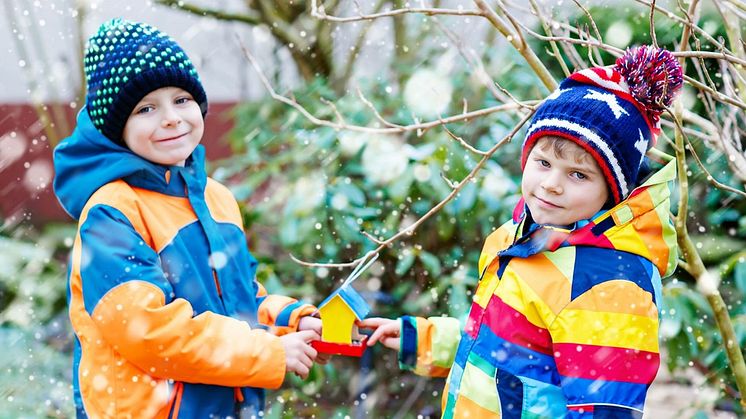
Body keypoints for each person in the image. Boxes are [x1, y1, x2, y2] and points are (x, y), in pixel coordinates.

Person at [360, 45, 683, 418]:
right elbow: (506, 353)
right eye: (543, 162)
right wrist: (427, 341)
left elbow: (605, 410)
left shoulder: (607, 284)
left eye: (578, 174)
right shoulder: (521, 237)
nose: (550, 185)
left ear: (612, 191)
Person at [53, 18, 327, 418]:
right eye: (146, 108)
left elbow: (237, 299)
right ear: (116, 129)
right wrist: (264, 350)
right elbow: (149, 333)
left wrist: (288, 321)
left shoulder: (215, 198)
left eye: (182, 100)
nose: (170, 118)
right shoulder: (112, 212)